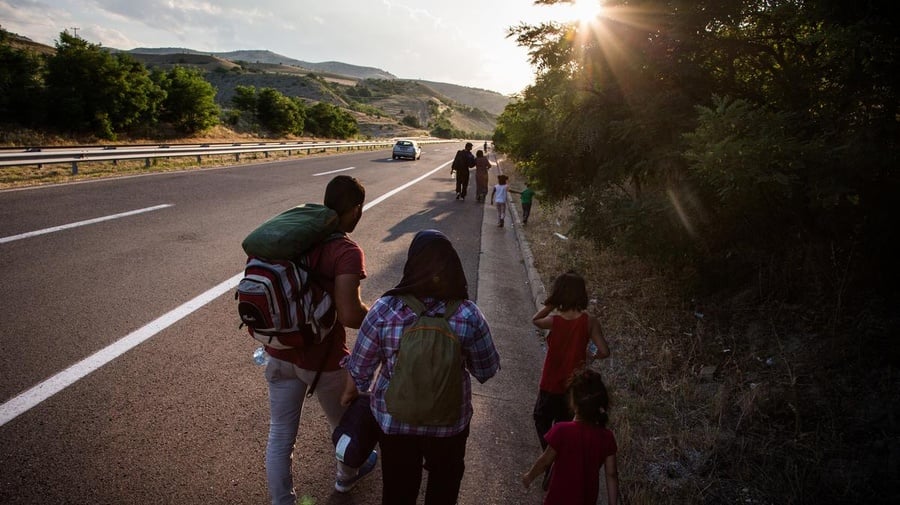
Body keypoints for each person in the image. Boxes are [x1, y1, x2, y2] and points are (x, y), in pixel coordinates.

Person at [342, 229, 501, 505]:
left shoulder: (384, 310)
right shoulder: (468, 314)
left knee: (398, 491)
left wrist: (349, 395)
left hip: (395, 423)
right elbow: (485, 371)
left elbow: (360, 370)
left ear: (411, 264)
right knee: (444, 488)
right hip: (450, 424)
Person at [263, 175, 375, 505]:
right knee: (345, 425)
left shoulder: (296, 240)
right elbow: (350, 315)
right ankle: (345, 481)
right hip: (323, 360)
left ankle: (282, 501)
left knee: (280, 434)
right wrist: (377, 317)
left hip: (280, 351)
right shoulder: (346, 251)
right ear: (355, 209)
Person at [530, 270, 611, 490]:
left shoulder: (554, 320)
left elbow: (535, 320)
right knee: (565, 425)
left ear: (560, 294)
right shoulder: (589, 322)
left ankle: (551, 460)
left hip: (550, 384)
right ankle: (556, 461)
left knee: (540, 418)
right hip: (574, 388)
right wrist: (590, 355)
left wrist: (550, 304)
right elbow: (605, 351)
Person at [522, 369, 619, 505]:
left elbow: (545, 462)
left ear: (573, 402)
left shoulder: (562, 431)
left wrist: (529, 476)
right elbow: (611, 474)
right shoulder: (607, 437)